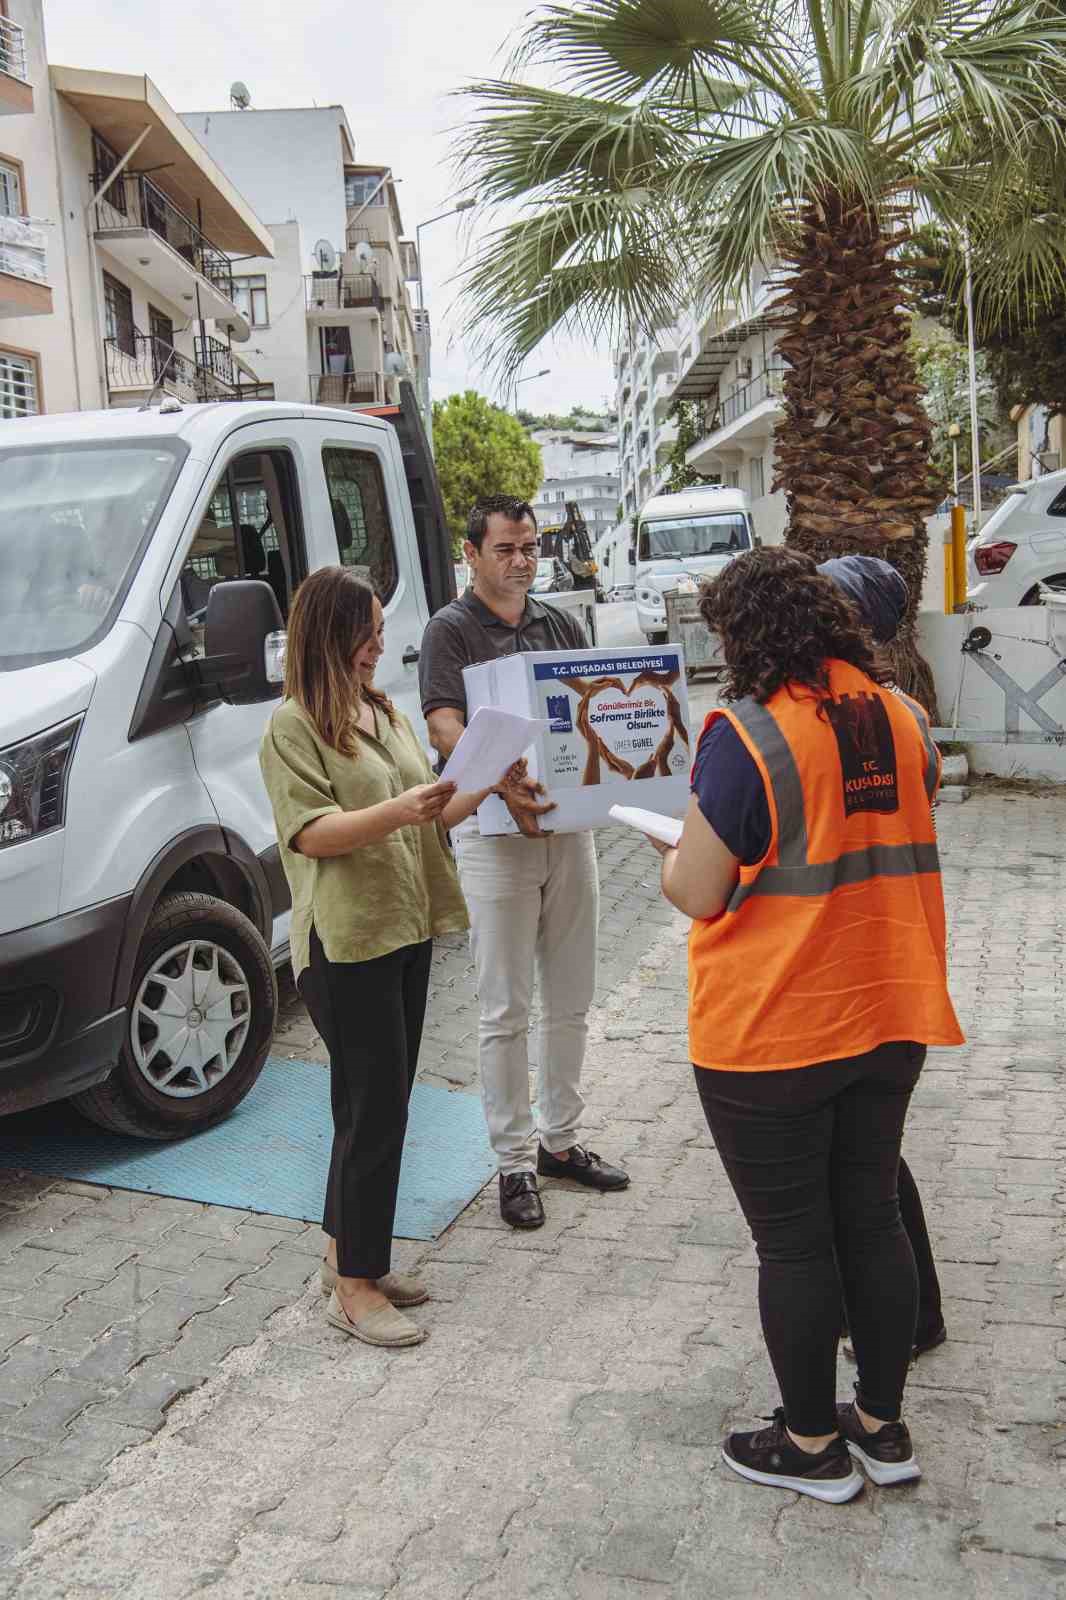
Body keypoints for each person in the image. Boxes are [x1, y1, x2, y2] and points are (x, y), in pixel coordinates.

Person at [649, 547, 962, 1503]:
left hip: (776, 1030)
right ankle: (882, 1425)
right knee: (871, 1218)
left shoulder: (747, 736)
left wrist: (677, 850)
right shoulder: (903, 719)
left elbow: (700, 888)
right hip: (890, 1008)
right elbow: (907, 806)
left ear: (747, 636)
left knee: (794, 1245)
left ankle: (813, 1445)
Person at [259, 567, 485, 1350]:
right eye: (367, 634)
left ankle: (347, 1254)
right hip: (345, 940)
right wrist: (397, 809)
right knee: (375, 1108)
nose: (379, 648)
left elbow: (432, 806)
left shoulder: (381, 709)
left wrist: (483, 782)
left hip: (405, 924)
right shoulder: (292, 726)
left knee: (372, 1105)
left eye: (382, 635)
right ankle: (354, 1288)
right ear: (329, 635)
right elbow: (311, 833)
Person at [419, 494, 629, 1229]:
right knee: (504, 1008)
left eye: (530, 548)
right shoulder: (450, 630)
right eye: (506, 549)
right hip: (494, 839)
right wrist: (493, 769)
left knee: (571, 997)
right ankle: (512, 1163)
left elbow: (589, 701)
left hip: (569, 832)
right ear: (471, 555)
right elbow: (443, 718)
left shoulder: (558, 621)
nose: (521, 561)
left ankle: (561, 1143)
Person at [817, 555, 947, 1361]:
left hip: (858, 960)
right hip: (886, 956)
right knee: (867, 1158)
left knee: (861, 1165)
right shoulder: (900, 713)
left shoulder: (875, 716)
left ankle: (906, 1319)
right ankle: (903, 1313)